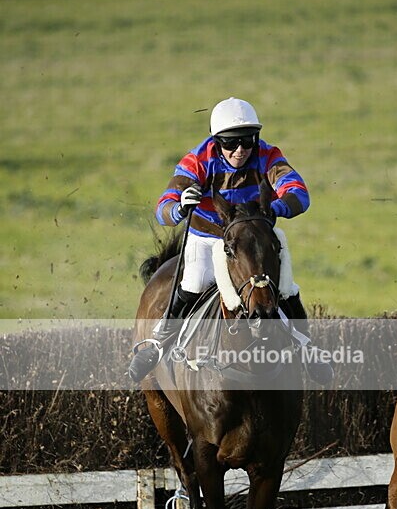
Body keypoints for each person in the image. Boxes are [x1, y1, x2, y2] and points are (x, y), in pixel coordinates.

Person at [129, 97, 331, 384]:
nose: (240, 150)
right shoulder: (198, 159)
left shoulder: (268, 155)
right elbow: (164, 207)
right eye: (230, 143)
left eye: (247, 141)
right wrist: (179, 207)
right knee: (195, 283)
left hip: (253, 239)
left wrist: (275, 208)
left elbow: (299, 192)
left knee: (284, 287)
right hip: (208, 238)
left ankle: (307, 348)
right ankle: (158, 345)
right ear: (216, 141)